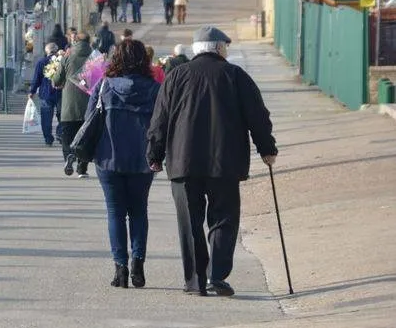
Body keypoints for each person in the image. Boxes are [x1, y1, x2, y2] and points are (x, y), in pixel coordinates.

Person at [147, 26, 278, 297]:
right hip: (224, 162)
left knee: (190, 222)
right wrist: (267, 149)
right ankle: (216, 275)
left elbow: (160, 118)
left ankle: (196, 281)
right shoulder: (235, 76)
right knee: (224, 218)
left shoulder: (176, 76)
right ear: (219, 48)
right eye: (225, 47)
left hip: (183, 161)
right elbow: (257, 116)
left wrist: (154, 154)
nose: (226, 51)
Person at [86, 40, 160, 289]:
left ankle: (120, 268)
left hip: (109, 158)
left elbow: (89, 118)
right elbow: (162, 124)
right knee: (139, 211)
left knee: (115, 213)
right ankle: (138, 262)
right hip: (143, 159)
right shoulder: (155, 89)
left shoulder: (104, 85)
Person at [53, 32, 93, 177]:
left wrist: (58, 82)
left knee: (67, 135)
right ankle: (82, 168)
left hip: (69, 104)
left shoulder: (67, 56)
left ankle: (69, 156)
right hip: (89, 104)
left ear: (75, 41)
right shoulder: (95, 57)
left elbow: (57, 79)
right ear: (89, 41)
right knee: (86, 136)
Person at [29, 42, 63, 147]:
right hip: (60, 93)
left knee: (46, 118)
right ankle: (60, 133)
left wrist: (32, 91)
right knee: (62, 116)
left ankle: (48, 139)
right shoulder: (61, 61)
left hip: (46, 93)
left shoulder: (41, 62)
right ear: (56, 50)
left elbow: (37, 79)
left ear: (46, 51)